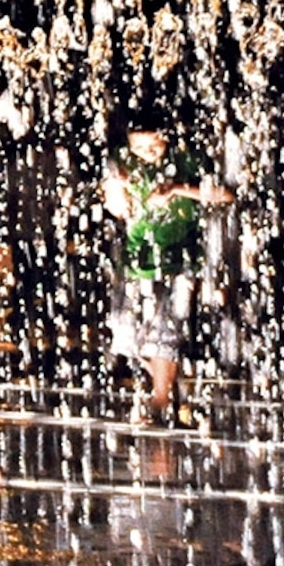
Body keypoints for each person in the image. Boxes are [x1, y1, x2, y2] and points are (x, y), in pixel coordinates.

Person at [103, 100, 230, 429]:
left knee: (165, 334)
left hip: (180, 261)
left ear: (167, 139)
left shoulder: (186, 160)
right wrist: (116, 187)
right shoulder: (123, 161)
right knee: (126, 333)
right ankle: (170, 388)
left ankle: (160, 401)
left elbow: (225, 195)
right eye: (139, 147)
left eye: (154, 146)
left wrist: (177, 190)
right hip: (137, 260)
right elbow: (114, 201)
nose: (147, 154)